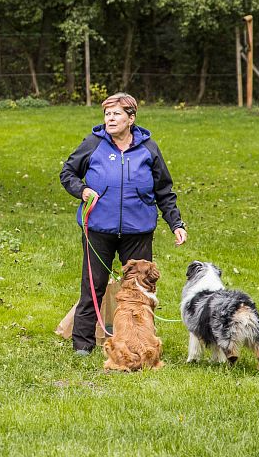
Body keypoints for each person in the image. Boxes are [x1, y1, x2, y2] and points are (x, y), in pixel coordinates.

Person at [60, 92, 187, 356]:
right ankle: (82, 345)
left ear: (131, 118)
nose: (110, 118)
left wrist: (175, 223)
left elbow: (164, 189)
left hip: (137, 231)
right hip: (98, 229)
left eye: (116, 113)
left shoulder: (149, 148)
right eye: (107, 114)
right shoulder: (94, 143)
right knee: (93, 285)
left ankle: (141, 341)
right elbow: (68, 173)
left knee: (141, 289)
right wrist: (81, 190)